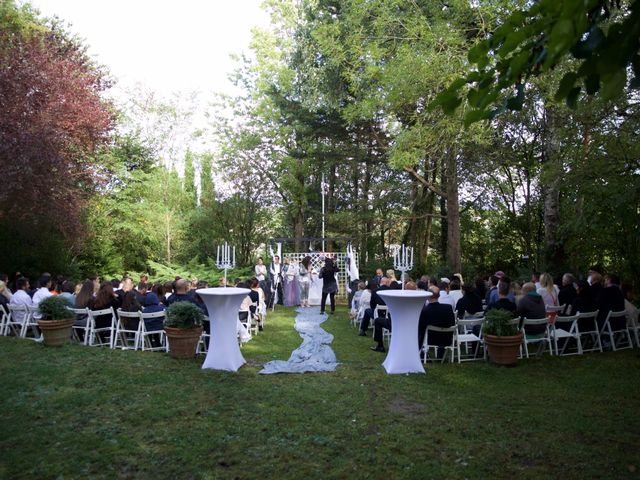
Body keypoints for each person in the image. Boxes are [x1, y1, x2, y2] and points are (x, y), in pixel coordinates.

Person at [418, 286, 456, 359]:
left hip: (430, 340)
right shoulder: (448, 308)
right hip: (447, 339)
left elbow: (420, 328)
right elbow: (452, 323)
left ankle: (421, 353)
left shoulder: (424, 311)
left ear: (428, 296)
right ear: (439, 295)